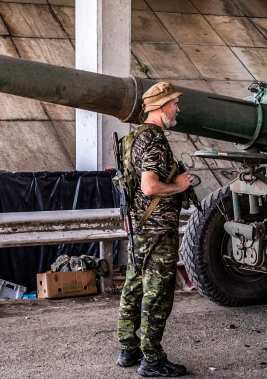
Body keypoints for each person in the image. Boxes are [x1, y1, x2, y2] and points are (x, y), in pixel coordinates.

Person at [116, 81, 193, 377]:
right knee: (157, 294)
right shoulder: (155, 141)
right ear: (160, 107)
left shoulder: (132, 138)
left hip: (139, 228)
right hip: (157, 229)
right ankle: (152, 359)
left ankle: (127, 349)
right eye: (174, 103)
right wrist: (180, 186)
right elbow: (149, 187)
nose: (178, 108)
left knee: (133, 287)